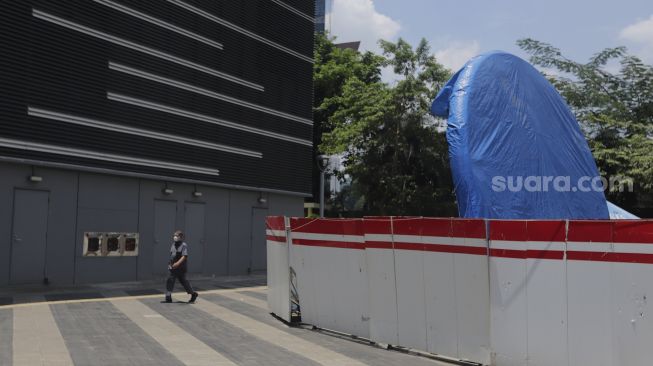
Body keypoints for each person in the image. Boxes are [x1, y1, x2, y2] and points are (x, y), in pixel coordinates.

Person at [165, 230, 199, 303]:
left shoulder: (183, 245)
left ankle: (193, 294)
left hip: (181, 268)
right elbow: (172, 255)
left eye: (176, 236)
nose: (175, 237)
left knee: (184, 282)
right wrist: (170, 264)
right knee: (170, 280)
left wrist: (177, 263)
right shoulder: (173, 244)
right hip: (173, 267)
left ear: (181, 237)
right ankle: (168, 296)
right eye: (174, 235)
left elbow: (184, 256)